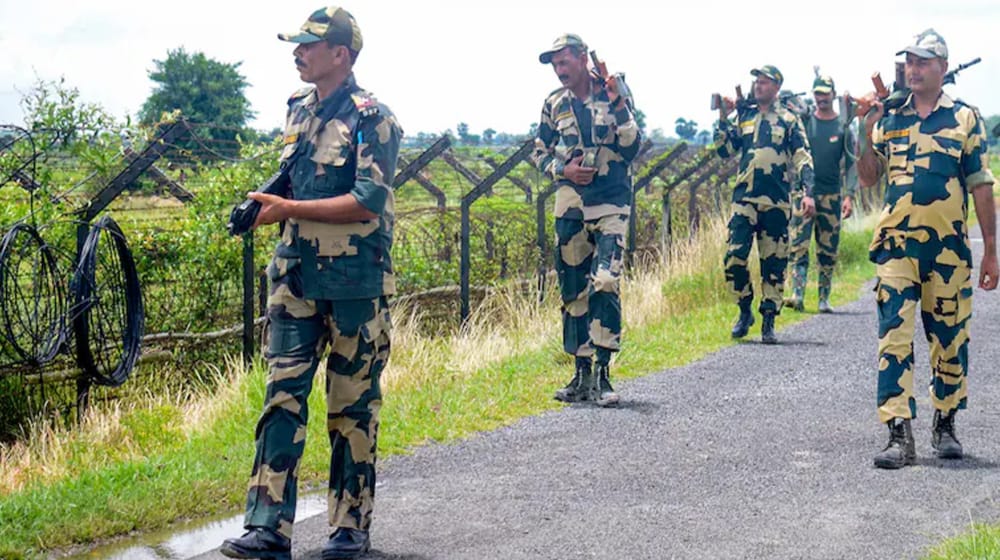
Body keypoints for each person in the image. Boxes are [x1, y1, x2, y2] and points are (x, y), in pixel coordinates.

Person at [220, 6, 402, 559]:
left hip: (354, 285)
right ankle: (267, 528)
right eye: (297, 44)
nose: (297, 52)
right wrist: (260, 204)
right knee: (282, 400)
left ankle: (350, 529)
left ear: (341, 55)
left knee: (350, 411)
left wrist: (289, 208)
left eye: (309, 45)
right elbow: (293, 172)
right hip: (295, 278)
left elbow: (368, 200)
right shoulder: (298, 108)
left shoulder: (375, 118)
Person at [856, 29, 997, 469]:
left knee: (950, 339)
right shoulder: (891, 117)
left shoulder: (965, 119)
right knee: (894, 340)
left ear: (943, 68)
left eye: (923, 62)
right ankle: (898, 433)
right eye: (909, 62)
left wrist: (991, 248)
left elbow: (980, 185)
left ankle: (946, 423)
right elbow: (867, 177)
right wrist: (864, 130)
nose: (913, 69)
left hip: (948, 251)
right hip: (896, 247)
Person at [531, 33, 641, 407]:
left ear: (582, 59)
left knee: (606, 282)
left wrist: (618, 102)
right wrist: (562, 168)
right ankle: (581, 375)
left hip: (611, 203)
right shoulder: (554, 104)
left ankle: (605, 373)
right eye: (555, 65)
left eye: (565, 62)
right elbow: (539, 152)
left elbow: (631, 145)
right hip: (570, 205)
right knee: (573, 289)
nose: (560, 71)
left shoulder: (613, 93)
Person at [714, 65, 815, 344]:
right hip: (744, 199)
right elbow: (725, 150)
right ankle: (744, 308)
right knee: (734, 258)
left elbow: (802, 156)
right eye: (756, 81)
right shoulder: (744, 116)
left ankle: (769, 319)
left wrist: (808, 192)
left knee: (774, 263)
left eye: (764, 82)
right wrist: (724, 115)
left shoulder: (788, 119)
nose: (758, 86)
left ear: (776, 87)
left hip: (777, 202)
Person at [784, 75, 858, 313]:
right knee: (798, 246)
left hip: (831, 196)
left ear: (833, 94)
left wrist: (850, 196)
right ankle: (797, 294)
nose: (821, 98)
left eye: (825, 93)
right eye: (817, 93)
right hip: (804, 194)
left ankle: (824, 298)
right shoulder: (806, 122)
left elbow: (851, 163)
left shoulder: (842, 127)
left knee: (828, 249)